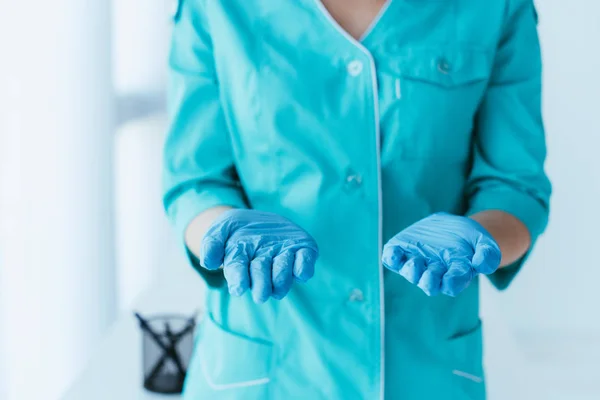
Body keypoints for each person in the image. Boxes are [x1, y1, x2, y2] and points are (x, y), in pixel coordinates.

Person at [162, 0, 551, 398]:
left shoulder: (495, 8)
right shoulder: (214, 7)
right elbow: (194, 181)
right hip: (268, 364)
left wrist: (479, 236)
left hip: (424, 367)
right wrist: (225, 231)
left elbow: (516, 186)